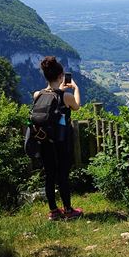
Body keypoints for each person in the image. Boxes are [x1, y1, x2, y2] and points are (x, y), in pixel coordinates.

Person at [34, 56, 83, 220]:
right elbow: (76, 106)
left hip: (45, 141)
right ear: (61, 76)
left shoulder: (37, 95)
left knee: (49, 175)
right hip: (62, 142)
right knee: (62, 175)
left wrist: (59, 88)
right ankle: (69, 210)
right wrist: (75, 88)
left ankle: (54, 211)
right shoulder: (66, 96)